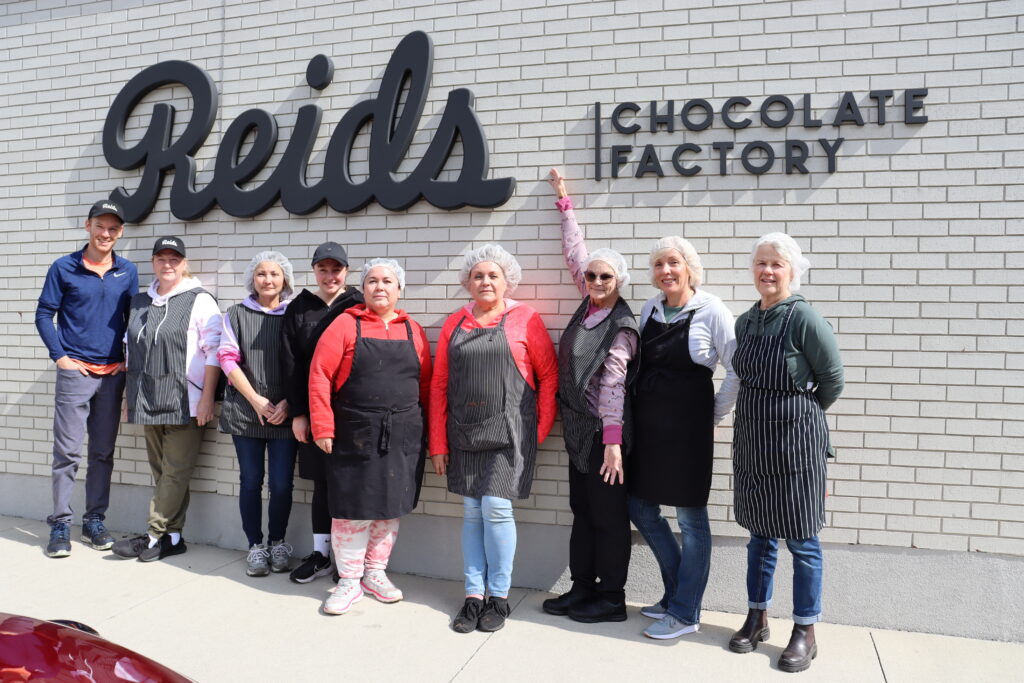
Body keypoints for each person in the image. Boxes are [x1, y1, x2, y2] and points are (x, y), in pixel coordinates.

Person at [728, 233, 844, 673]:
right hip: (755, 443)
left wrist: (796, 417)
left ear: (792, 270)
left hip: (797, 446)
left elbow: (832, 381)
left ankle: (805, 630)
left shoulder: (805, 319)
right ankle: (757, 616)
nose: (767, 272)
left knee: (802, 539)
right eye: (760, 263)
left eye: (776, 264)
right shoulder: (745, 322)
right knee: (759, 536)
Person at [430, 244, 558, 634]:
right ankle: (473, 595)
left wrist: (535, 434)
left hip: (510, 435)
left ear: (506, 281)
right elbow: (438, 384)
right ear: (468, 282)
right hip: (464, 432)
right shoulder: (455, 322)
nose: (485, 281)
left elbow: (549, 377)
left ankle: (498, 597)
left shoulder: (525, 319)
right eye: (478, 275)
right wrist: (438, 443)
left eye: (493, 275)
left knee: (497, 511)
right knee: (471, 515)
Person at [628, 234, 739, 639]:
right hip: (650, 426)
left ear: (689, 267)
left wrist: (713, 414)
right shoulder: (650, 308)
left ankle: (686, 612)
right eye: (659, 265)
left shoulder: (712, 310)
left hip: (689, 429)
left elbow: (736, 369)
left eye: (673, 263)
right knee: (640, 508)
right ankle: (677, 594)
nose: (666, 271)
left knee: (691, 519)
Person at [308, 258, 432, 615]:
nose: (380, 287)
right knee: (352, 510)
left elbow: (424, 384)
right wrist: (323, 426)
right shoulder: (345, 325)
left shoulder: (413, 330)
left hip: (403, 433)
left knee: (388, 509)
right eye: (373, 281)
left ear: (400, 288)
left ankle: (375, 573)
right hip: (355, 432)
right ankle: (348, 579)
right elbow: (319, 376)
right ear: (363, 289)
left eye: (388, 281)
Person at [541, 170, 638, 624]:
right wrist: (565, 204)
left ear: (619, 281)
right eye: (593, 275)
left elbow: (614, 386)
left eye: (606, 276)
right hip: (579, 429)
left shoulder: (620, 326)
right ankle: (582, 588)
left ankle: (611, 598)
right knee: (581, 509)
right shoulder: (588, 303)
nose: (596, 281)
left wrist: (614, 443)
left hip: (606, 437)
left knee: (608, 516)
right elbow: (575, 252)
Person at [35, 200, 139, 558]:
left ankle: (94, 520)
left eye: (113, 228)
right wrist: (60, 358)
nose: (105, 233)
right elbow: (43, 314)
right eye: (100, 226)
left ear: (120, 232)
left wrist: (128, 360)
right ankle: (60, 524)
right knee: (66, 453)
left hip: (112, 375)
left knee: (102, 453)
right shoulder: (64, 267)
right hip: (76, 372)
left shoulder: (127, 271)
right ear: (87, 226)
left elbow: (133, 319)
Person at [111, 237, 222, 562]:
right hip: (147, 398)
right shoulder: (140, 302)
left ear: (184, 263)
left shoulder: (200, 300)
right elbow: (130, 349)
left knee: (175, 472)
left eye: (175, 259)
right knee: (162, 472)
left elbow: (214, 351)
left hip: (186, 400)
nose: (168, 264)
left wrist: (207, 399)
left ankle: (151, 534)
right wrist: (128, 398)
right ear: (153, 262)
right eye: (161, 258)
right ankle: (173, 538)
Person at [281, 242, 364, 584]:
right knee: (322, 482)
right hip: (315, 410)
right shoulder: (299, 308)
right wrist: (299, 413)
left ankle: (351, 559)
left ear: (346, 271)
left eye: (336, 269)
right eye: (323, 269)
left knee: (353, 482)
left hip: (356, 410)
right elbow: (290, 364)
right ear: (314, 271)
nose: (330, 276)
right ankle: (321, 554)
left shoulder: (358, 304)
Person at [218, 251, 298, 577]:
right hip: (246, 412)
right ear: (253, 278)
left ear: (285, 280)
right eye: (262, 274)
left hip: (284, 413)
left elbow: (305, 363)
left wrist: (288, 404)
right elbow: (227, 359)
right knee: (251, 481)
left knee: (281, 484)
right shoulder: (236, 314)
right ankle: (255, 546)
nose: (268, 280)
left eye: (274, 274)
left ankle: (277, 542)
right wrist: (255, 399)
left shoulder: (295, 315)